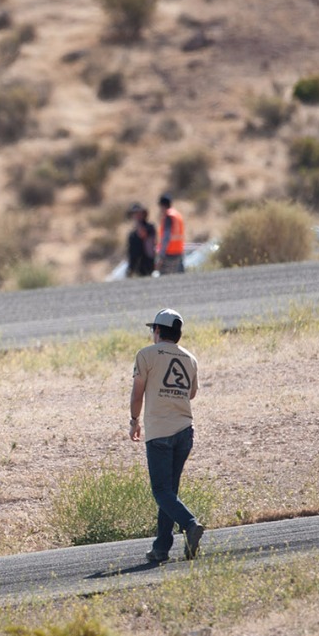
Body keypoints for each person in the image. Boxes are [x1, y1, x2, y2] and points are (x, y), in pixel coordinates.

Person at [129, 309, 203, 563]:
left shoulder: (146, 355)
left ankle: (190, 525)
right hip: (185, 431)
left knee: (161, 491)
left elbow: (137, 392)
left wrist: (134, 420)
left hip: (159, 432)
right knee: (170, 491)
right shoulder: (190, 359)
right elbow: (191, 393)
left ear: (158, 331)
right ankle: (161, 548)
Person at [157, 194, 186, 275]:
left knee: (165, 280)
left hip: (169, 253)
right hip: (179, 251)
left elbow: (166, 237)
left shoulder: (168, 217)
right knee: (180, 278)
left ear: (163, 205)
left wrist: (161, 255)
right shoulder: (177, 215)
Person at [126, 203, 156, 278]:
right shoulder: (132, 234)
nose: (137, 216)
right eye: (134, 214)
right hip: (136, 265)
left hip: (147, 263)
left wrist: (138, 223)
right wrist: (130, 268)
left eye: (139, 213)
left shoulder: (149, 228)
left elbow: (143, 235)